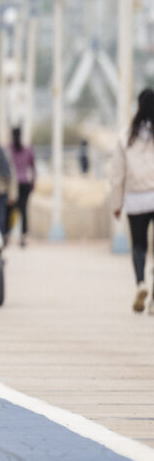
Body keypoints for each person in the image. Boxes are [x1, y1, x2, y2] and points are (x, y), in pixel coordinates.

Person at [109, 88, 154, 314]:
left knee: (139, 246)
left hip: (136, 199)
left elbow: (117, 175)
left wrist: (116, 205)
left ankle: (140, 283)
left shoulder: (126, 136)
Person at [9, 126, 36, 247]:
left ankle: (7, 234)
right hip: (24, 183)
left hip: (15, 184)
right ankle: (23, 237)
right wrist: (33, 182)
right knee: (23, 211)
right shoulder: (26, 149)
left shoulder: (9, 149)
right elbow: (33, 168)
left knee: (11, 210)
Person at [0, 129, 14, 244]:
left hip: (0, 189)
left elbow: (8, 174)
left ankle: (0, 236)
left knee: (1, 216)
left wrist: (11, 193)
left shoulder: (0, 151)